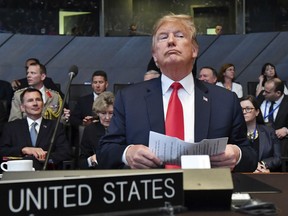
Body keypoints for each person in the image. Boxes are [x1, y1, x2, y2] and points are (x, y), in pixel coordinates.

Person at [98, 13, 257, 172]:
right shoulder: (129, 98)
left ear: (194, 50)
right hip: (150, 192)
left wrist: (236, 154)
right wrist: (127, 153)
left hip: (206, 192)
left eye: (179, 35)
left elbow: (250, 155)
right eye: (163, 37)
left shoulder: (225, 100)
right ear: (155, 56)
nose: (171, 41)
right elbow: (105, 151)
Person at [0, 88, 72, 170]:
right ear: (22, 107)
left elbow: (66, 152)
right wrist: (23, 150)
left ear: (43, 104)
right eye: (30, 100)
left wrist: (46, 156)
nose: (35, 103)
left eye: (38, 100)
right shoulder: (11, 127)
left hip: (46, 174)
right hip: (19, 174)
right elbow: (2, 151)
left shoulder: (55, 126)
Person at [240, 95, 281, 172]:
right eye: (241, 109)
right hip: (243, 174)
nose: (244, 112)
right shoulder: (235, 133)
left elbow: (277, 158)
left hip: (264, 173)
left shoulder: (269, 131)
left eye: (248, 109)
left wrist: (262, 165)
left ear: (257, 112)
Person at [257, 78, 288, 171]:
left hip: (280, 140)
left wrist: (286, 129)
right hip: (261, 137)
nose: (263, 93)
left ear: (278, 93)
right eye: (264, 90)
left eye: (267, 92)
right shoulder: (261, 97)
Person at [78, 91, 115, 169]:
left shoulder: (122, 128)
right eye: (103, 113)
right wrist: (91, 160)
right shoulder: (90, 130)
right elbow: (81, 162)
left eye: (111, 113)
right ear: (97, 113)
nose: (107, 117)